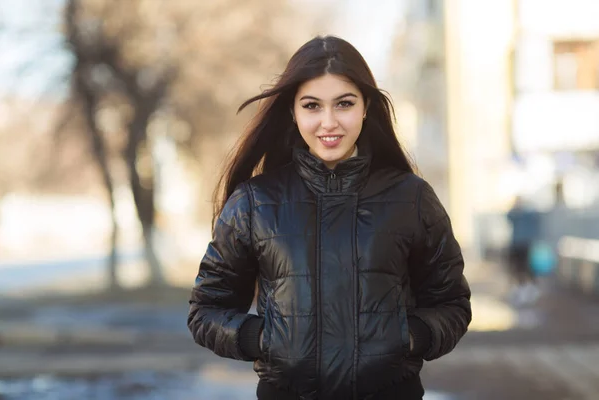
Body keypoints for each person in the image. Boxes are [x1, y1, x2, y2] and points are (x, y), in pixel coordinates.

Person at [188, 35, 471, 400]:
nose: (329, 122)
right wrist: (263, 339)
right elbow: (206, 311)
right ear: (293, 111)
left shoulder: (411, 198)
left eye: (344, 104)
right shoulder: (255, 204)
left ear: (366, 106)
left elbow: (452, 304)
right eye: (312, 106)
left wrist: (409, 336)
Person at [506, 195, 541, 305]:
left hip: (526, 244)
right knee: (517, 268)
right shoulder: (515, 213)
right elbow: (508, 217)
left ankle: (530, 289)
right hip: (516, 245)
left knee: (528, 267)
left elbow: (535, 219)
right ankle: (521, 289)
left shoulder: (528, 213)